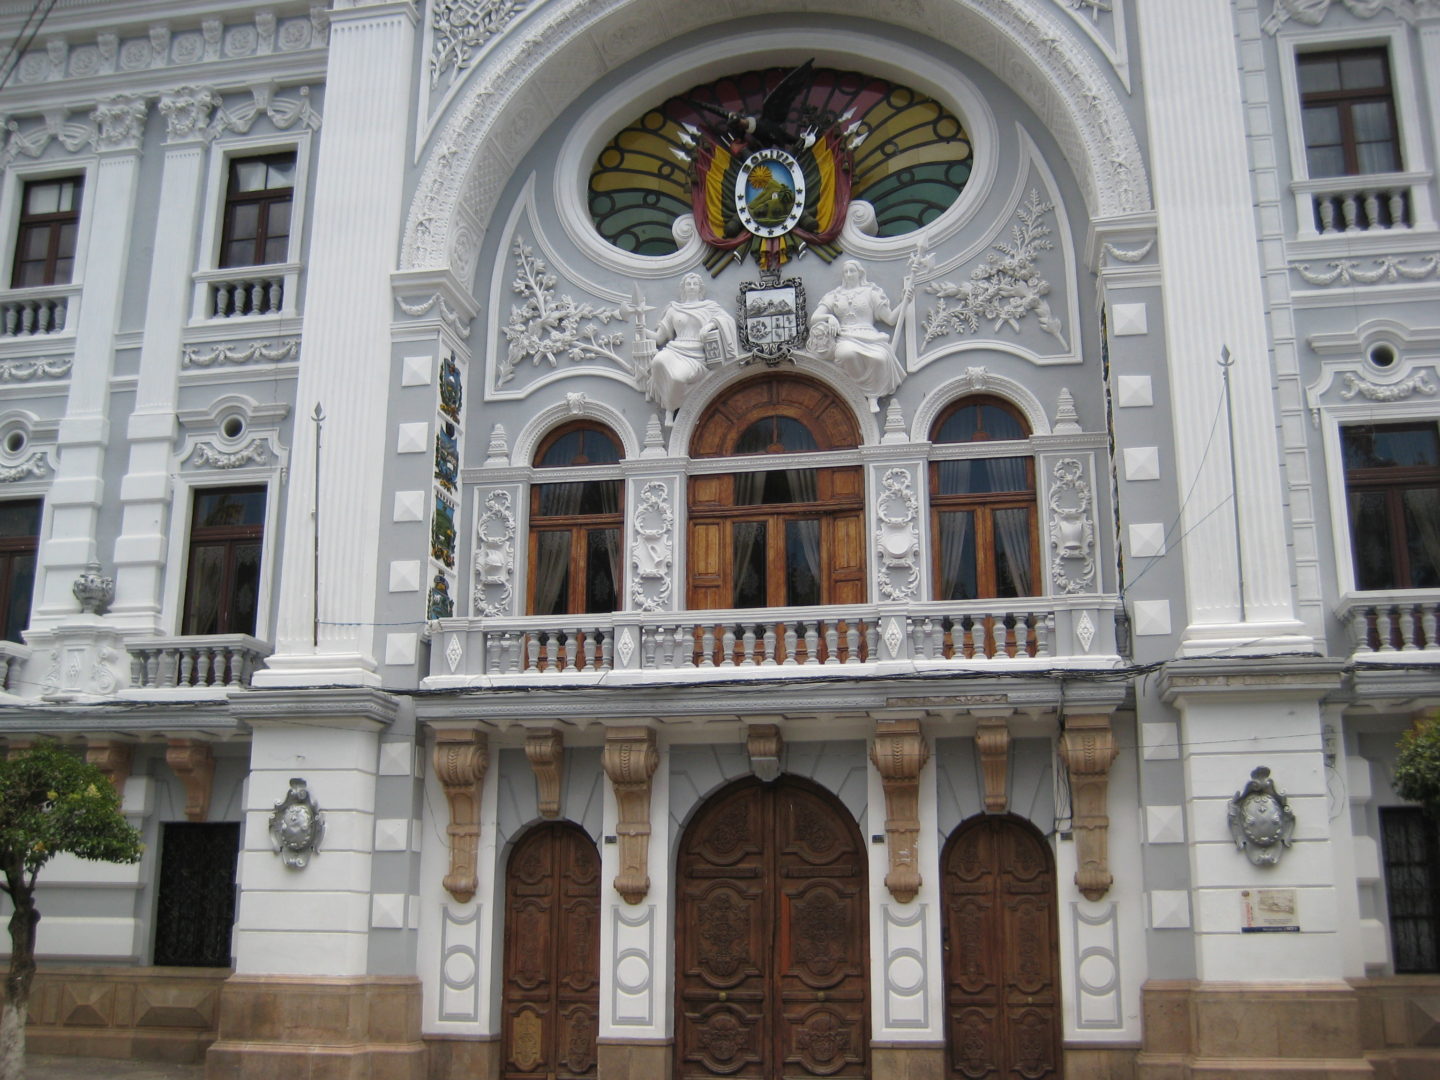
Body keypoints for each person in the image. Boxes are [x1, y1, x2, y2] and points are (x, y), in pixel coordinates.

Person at [808, 260, 910, 408]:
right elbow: (814, 318)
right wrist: (829, 317)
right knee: (846, 353)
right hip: (846, 335)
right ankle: (861, 392)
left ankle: (872, 395)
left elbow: (891, 319)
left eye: (852, 271)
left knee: (881, 358)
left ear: (860, 273)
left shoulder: (871, 293)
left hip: (870, 336)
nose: (849, 274)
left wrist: (905, 302)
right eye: (846, 271)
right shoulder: (835, 295)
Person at [645, 273, 738, 423]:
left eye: (695, 284)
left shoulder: (709, 307)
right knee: (657, 361)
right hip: (674, 349)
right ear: (683, 288)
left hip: (696, 354)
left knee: (678, 377)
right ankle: (669, 407)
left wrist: (710, 325)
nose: (692, 287)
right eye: (689, 284)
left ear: (700, 288)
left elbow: (727, 319)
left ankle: (671, 407)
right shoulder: (674, 309)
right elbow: (659, 338)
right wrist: (641, 329)